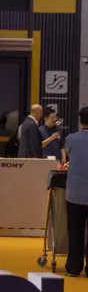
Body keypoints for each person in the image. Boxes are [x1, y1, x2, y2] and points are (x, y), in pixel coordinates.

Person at [63, 107, 88, 277]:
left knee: (75, 231)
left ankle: (73, 267)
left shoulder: (71, 139)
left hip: (75, 194)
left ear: (80, 120)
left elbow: (69, 159)